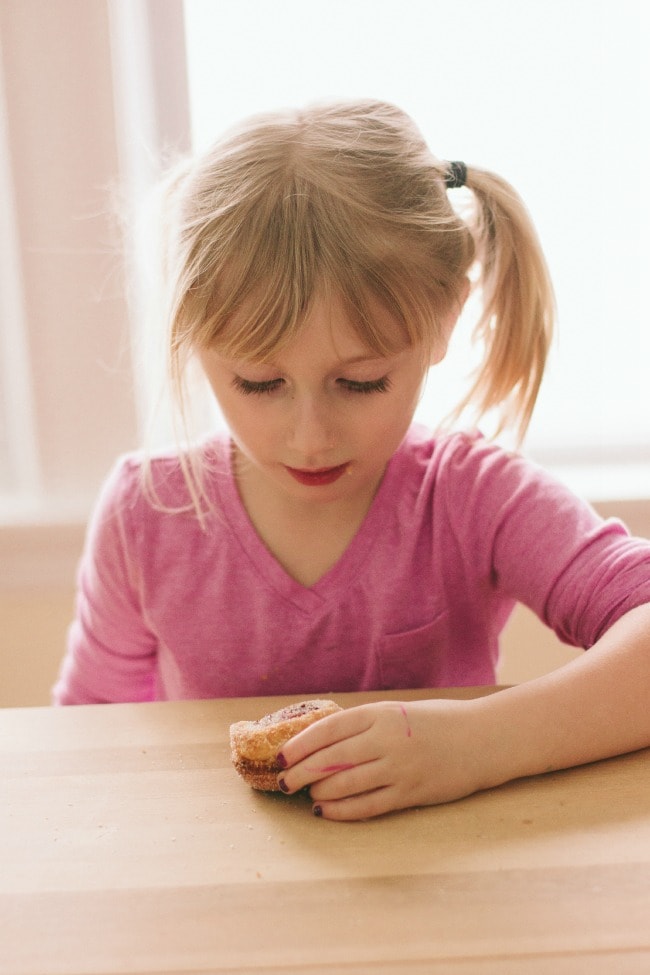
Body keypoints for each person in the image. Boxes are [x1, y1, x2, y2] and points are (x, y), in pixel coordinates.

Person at [53, 99, 650, 821]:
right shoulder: (146, 513)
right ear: (192, 337)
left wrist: (478, 744)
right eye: (259, 383)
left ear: (443, 320)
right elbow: (79, 744)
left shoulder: (470, 497)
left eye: (361, 381)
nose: (310, 437)